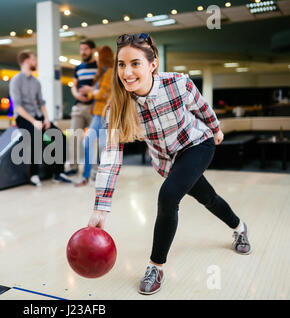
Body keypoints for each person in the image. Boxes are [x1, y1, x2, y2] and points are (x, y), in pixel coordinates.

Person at [87, 33, 251, 295]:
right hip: (168, 162)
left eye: (135, 63)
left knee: (168, 196)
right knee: (208, 197)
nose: (127, 72)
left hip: (198, 145)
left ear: (152, 65)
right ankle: (240, 228)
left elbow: (202, 107)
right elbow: (110, 157)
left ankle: (156, 266)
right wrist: (101, 208)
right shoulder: (117, 107)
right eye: (121, 64)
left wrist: (216, 129)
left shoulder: (177, 83)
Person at [9, 50, 72, 186]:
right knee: (35, 137)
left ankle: (58, 173)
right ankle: (34, 174)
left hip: (38, 116)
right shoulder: (16, 81)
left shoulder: (36, 82)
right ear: (26, 61)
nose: (35, 62)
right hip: (24, 118)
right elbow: (18, 106)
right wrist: (33, 122)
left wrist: (47, 119)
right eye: (33, 59)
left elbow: (41, 103)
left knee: (59, 136)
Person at [75, 46, 114, 187]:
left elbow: (103, 94)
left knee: (94, 144)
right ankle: (95, 175)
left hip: (102, 114)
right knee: (99, 145)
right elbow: (99, 93)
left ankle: (92, 176)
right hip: (99, 113)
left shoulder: (110, 72)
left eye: (98, 56)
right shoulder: (103, 73)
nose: (97, 59)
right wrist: (93, 91)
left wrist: (91, 91)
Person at [69, 39, 98, 173]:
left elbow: (103, 87)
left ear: (92, 50)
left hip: (94, 108)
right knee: (74, 137)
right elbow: (74, 87)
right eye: (81, 49)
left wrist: (90, 90)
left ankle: (93, 168)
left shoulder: (99, 66)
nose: (83, 52)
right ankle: (73, 167)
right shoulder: (78, 68)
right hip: (79, 106)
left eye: (85, 49)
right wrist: (77, 95)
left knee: (92, 139)